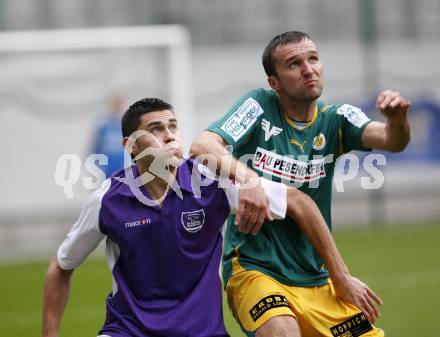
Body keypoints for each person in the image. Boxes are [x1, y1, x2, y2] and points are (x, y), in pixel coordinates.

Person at [42, 97, 373, 337]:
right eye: (155, 129)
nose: (169, 135)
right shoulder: (108, 200)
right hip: (128, 332)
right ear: (131, 145)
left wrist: (340, 276)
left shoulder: (212, 182)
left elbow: (300, 203)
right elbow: (61, 266)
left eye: (173, 126)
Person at [191, 31, 411, 337]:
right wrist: (248, 178)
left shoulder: (337, 119)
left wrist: (398, 119)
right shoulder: (259, 105)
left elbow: (392, 140)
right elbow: (202, 145)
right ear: (275, 83)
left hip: (318, 277)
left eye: (313, 59)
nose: (309, 69)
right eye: (294, 64)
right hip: (257, 269)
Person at [91, 94, 127, 178]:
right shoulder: (104, 125)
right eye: (115, 104)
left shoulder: (127, 125)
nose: (117, 107)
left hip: (123, 168)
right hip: (106, 168)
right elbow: (96, 147)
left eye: (120, 104)